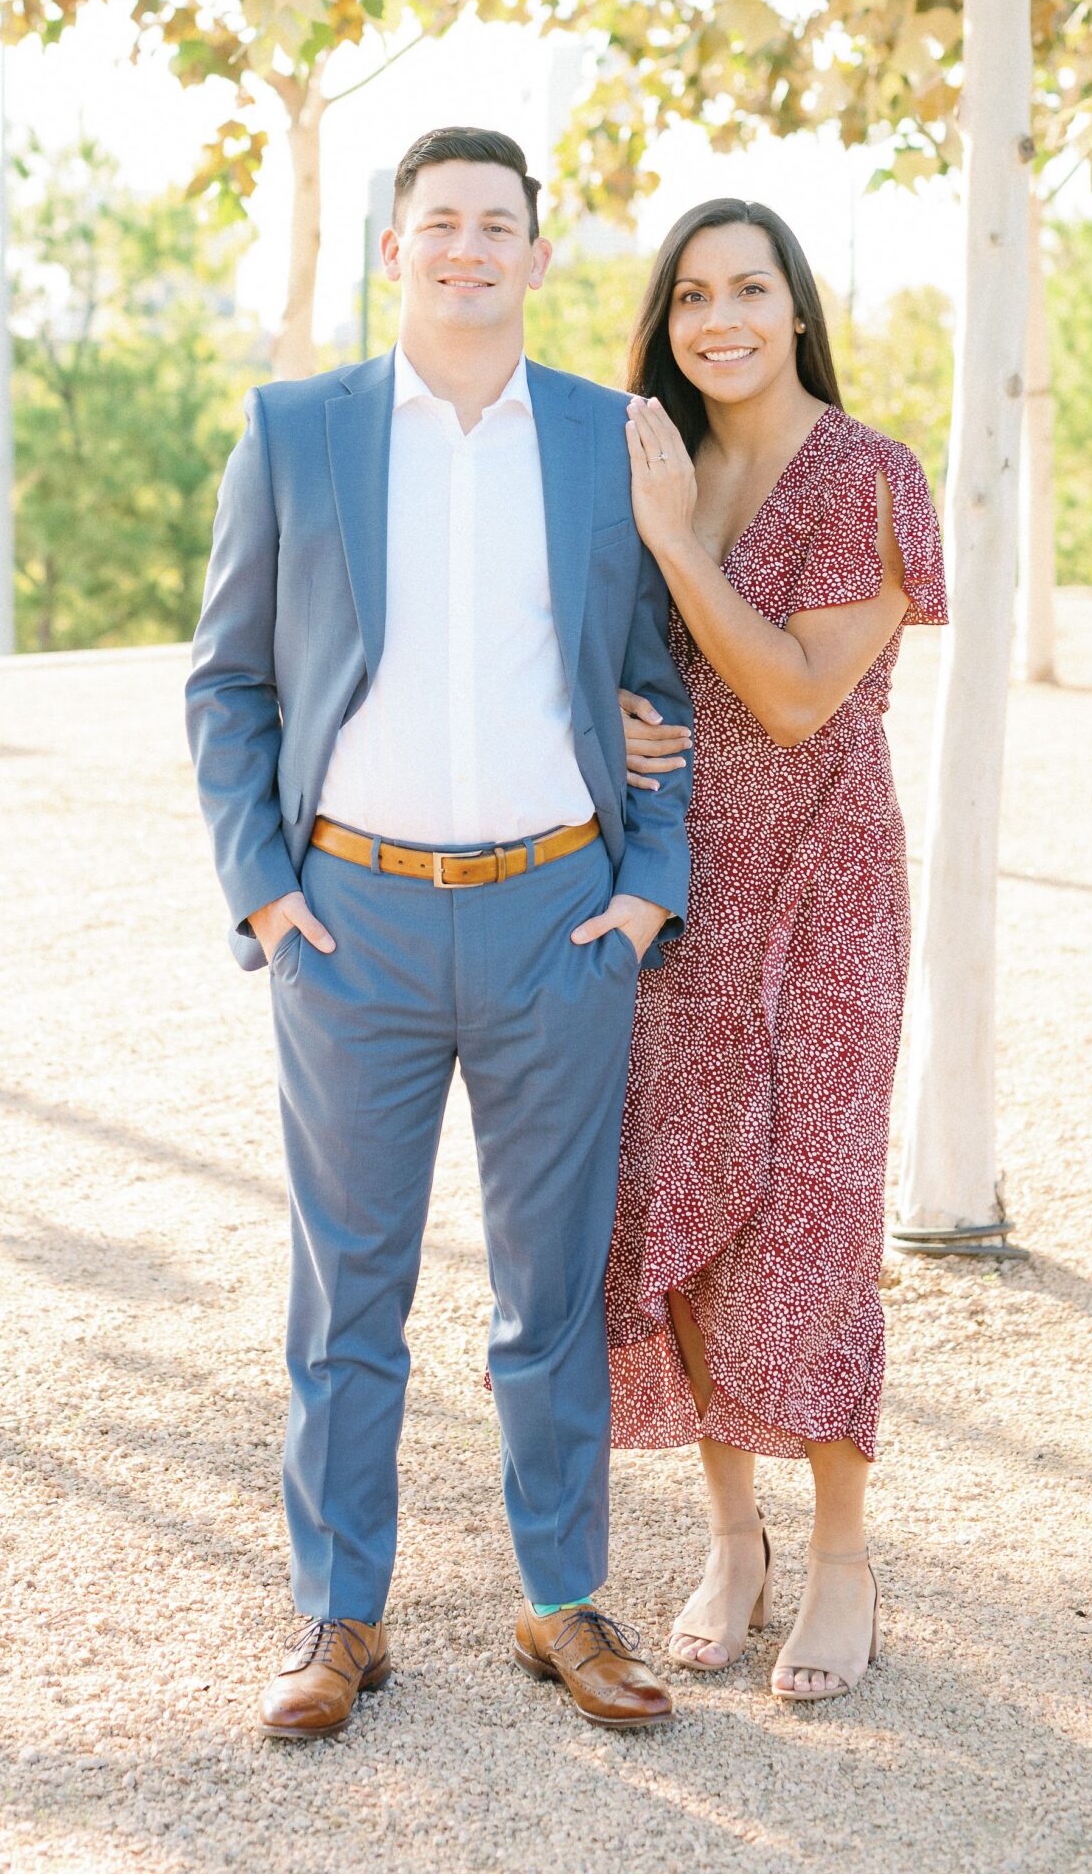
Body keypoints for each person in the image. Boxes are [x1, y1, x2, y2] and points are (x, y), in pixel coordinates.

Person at [187, 127, 692, 1740]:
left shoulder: (607, 438)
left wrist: (643, 893)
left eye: (498, 225)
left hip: (561, 920)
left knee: (553, 1290)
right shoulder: (296, 433)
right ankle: (340, 1616)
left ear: (540, 256)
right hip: (355, 925)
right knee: (349, 1296)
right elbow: (228, 682)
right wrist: (267, 890)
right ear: (394, 251)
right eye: (440, 224)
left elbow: (653, 681)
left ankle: (561, 1603)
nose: (468, 247)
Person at [603, 198, 947, 1700]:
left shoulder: (871, 478)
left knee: (808, 1211)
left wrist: (674, 545)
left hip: (821, 895)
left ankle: (841, 1557)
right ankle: (731, 1537)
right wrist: (605, 722)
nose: (720, 319)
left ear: (798, 307)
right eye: (691, 296)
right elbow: (617, 659)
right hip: (678, 883)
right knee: (684, 1201)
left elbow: (802, 697)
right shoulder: (656, 461)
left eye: (749, 288)